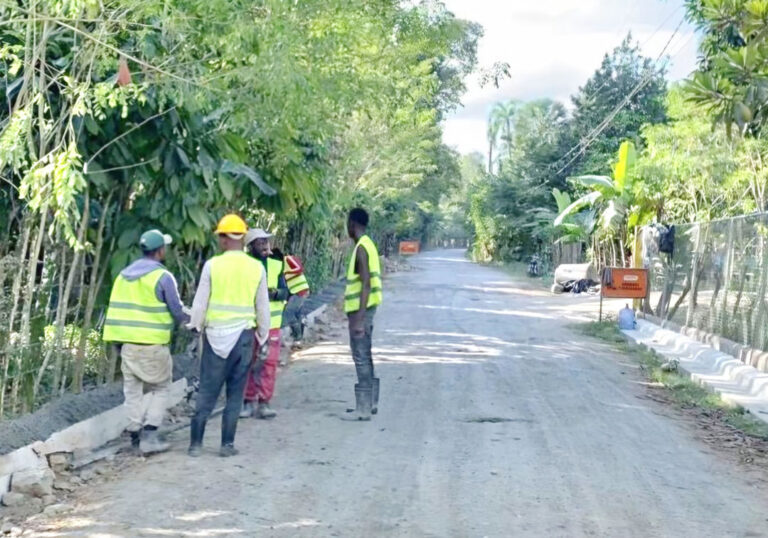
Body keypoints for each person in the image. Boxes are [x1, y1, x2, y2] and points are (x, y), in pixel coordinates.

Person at [187, 215, 270, 457]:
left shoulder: (212, 265)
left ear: (224, 239)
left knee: (207, 390)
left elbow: (200, 303)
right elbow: (262, 308)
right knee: (235, 393)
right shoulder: (256, 268)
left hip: (214, 337)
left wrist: (195, 327)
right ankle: (227, 445)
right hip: (243, 338)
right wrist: (263, 338)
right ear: (243, 238)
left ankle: (195, 445)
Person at [103, 229, 189, 454]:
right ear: (160, 251)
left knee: (132, 391)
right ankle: (150, 435)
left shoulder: (123, 276)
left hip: (127, 346)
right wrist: (193, 322)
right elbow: (177, 311)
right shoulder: (163, 277)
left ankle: (134, 435)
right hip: (152, 346)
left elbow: (118, 310)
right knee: (161, 388)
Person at [240, 229, 289, 420]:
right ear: (250, 246)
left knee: (268, 364)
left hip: (272, 325)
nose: (265, 245)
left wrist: (276, 293)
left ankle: (264, 402)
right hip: (249, 323)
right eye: (260, 242)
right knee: (248, 363)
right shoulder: (243, 266)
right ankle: (247, 401)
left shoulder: (276, 265)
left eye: (266, 241)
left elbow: (287, 292)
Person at [344, 208, 383, 421]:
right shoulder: (368, 244)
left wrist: (358, 319)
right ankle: (371, 402)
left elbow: (366, 284)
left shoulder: (361, 249)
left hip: (361, 311)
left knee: (360, 356)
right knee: (365, 354)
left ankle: (364, 408)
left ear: (352, 223)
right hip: (367, 309)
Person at [279, 248, 311, 345]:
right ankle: (300, 338)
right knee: (298, 314)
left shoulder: (287, 259)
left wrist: (286, 272)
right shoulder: (282, 264)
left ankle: (297, 336)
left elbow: (298, 268)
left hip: (300, 291)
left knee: (288, 313)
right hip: (299, 291)